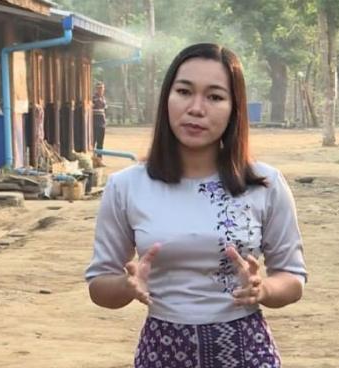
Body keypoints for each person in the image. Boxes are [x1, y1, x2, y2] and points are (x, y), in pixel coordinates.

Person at [86, 43, 307, 368]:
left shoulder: (265, 184)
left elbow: (292, 277)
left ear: (235, 107)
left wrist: (264, 290)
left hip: (248, 353)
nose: (196, 108)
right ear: (166, 99)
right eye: (184, 91)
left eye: (215, 96)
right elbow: (99, 285)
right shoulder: (127, 186)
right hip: (161, 352)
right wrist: (127, 285)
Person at [92, 81, 107, 167]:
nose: (101, 90)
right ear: (96, 89)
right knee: (94, 142)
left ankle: (99, 160)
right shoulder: (93, 98)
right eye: (99, 88)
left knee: (101, 143)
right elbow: (95, 106)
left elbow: (104, 110)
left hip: (102, 123)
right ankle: (94, 160)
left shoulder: (104, 98)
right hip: (95, 123)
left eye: (102, 88)